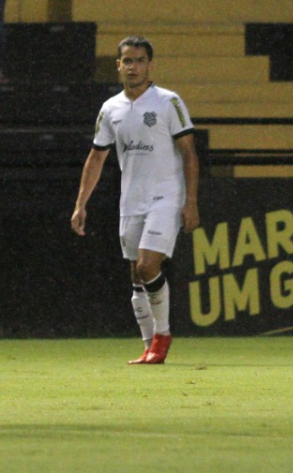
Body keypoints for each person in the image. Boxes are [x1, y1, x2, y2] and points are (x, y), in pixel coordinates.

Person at [69, 36, 200, 365]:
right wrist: (80, 203)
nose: (133, 66)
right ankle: (148, 345)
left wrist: (191, 201)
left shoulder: (168, 102)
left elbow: (189, 153)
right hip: (131, 200)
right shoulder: (110, 108)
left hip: (166, 196)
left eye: (140, 60)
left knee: (147, 266)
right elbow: (97, 156)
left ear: (150, 65)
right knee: (136, 276)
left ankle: (163, 337)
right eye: (127, 60)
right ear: (118, 65)